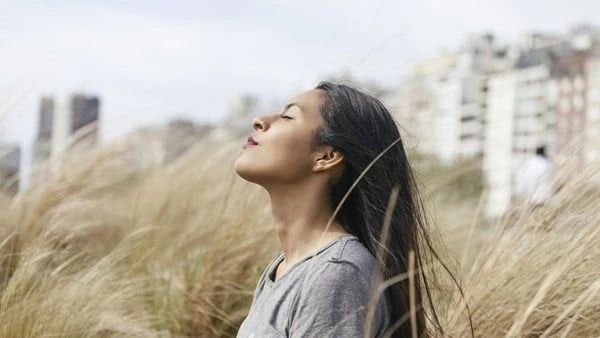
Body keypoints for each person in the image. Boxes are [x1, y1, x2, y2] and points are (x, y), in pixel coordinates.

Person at [234, 81, 471, 338]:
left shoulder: (336, 273)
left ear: (326, 156)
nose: (260, 120)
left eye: (288, 116)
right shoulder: (287, 266)